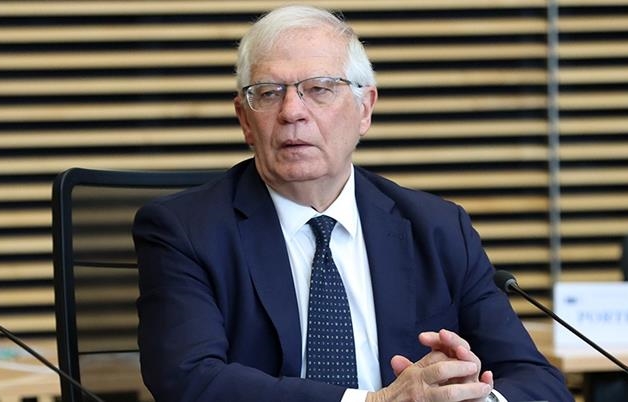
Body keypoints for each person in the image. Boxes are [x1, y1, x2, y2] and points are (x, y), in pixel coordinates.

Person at [133, 4, 573, 402]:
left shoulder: (438, 229)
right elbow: (189, 380)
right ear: (245, 120)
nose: (292, 111)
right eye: (268, 92)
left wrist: (473, 398)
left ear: (365, 109)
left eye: (319, 89)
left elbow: (540, 384)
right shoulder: (185, 230)